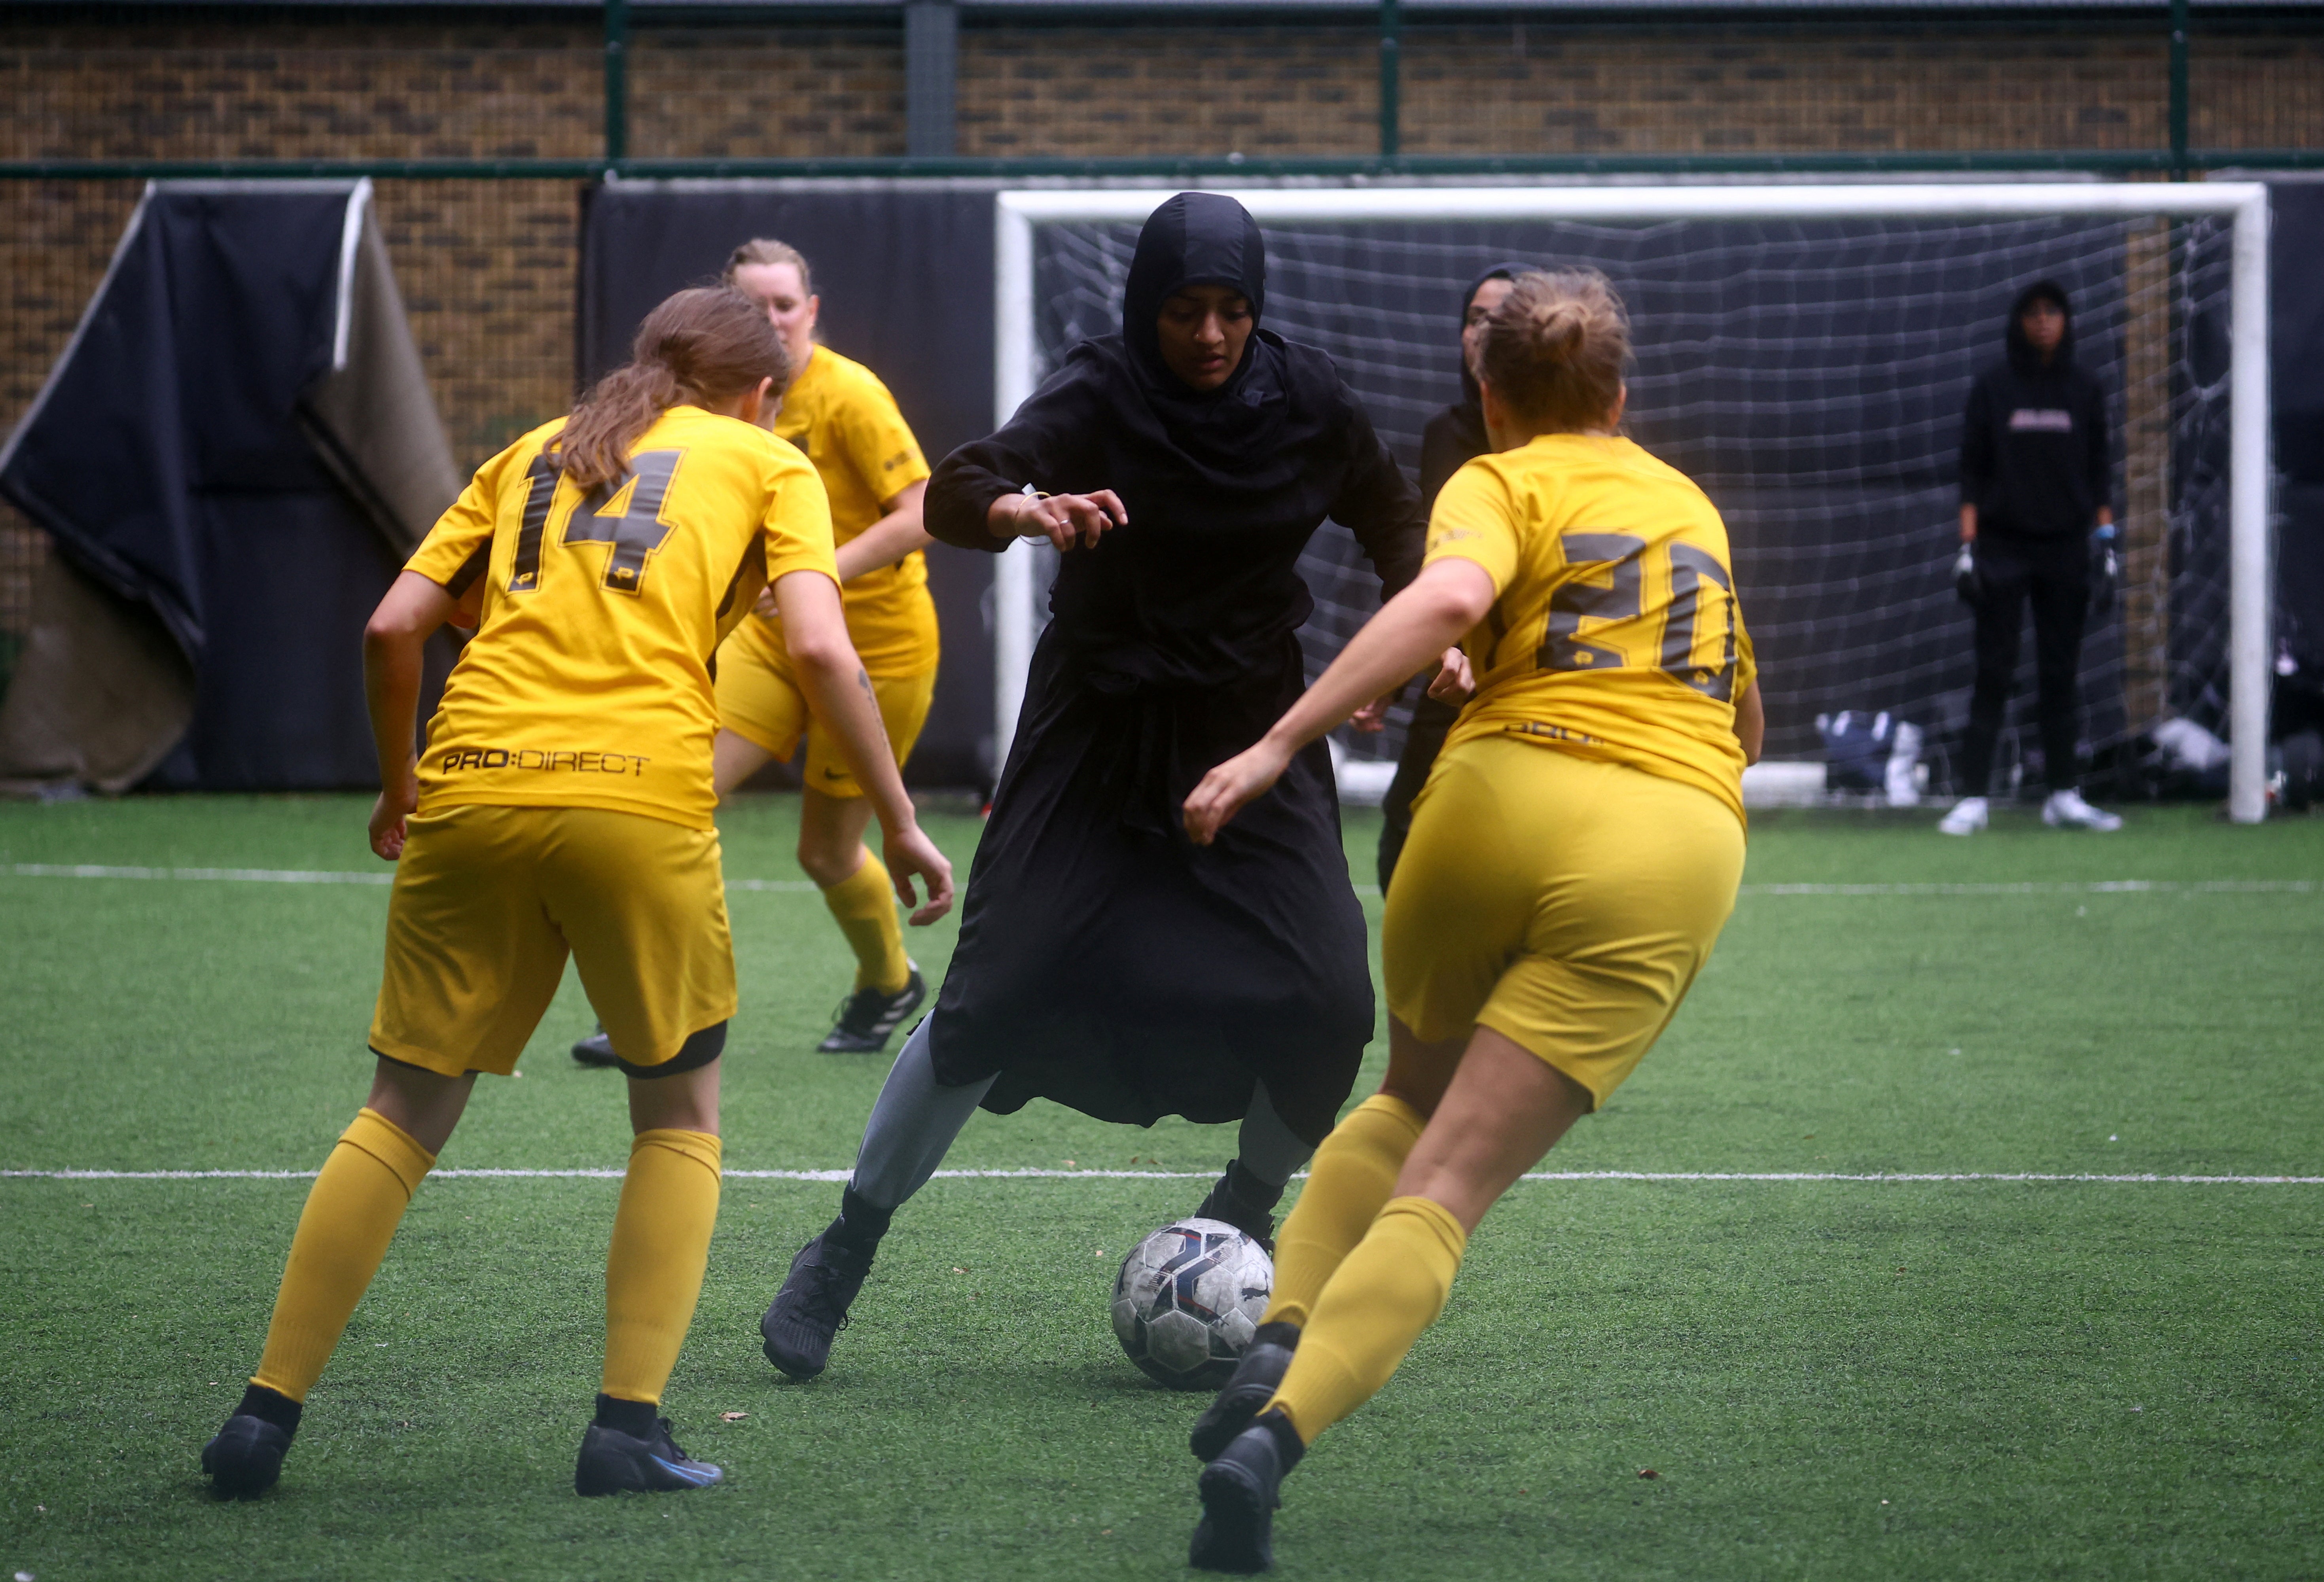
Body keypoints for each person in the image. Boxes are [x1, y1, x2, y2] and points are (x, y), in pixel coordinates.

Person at [196, 288, 955, 1501]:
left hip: (471, 783)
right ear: (760, 390)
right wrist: (904, 820)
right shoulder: (768, 459)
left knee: (399, 1110)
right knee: (678, 1115)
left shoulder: (531, 453)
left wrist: (401, 790)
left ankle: (261, 1418)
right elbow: (819, 649)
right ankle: (624, 1431)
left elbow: (395, 628)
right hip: (638, 798)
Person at [754, 191, 1443, 1385]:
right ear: (1147, 307)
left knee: (1331, 998)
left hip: (1252, 733)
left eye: (1233, 310)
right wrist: (1023, 508)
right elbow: (961, 487)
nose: (1213, 335)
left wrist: (1417, 630)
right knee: (993, 991)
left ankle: (1247, 1211)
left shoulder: (1309, 398)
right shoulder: (1099, 388)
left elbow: (1396, 517)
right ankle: (844, 1248)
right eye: (1187, 310)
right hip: (1097, 731)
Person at [1174, 269, 1765, 1573]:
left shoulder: (1495, 479)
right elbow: (1743, 718)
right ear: (1622, 394)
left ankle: (1278, 1330)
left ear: (1492, 397)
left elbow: (1451, 602)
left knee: (1400, 1102)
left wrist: (1279, 745)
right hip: (1665, 838)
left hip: (1492, 798)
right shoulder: (1688, 504)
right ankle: (1272, 1441)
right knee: (1446, 1195)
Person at [572, 239, 941, 1062]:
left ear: (811, 312)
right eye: (754, 306)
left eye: (785, 304)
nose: (772, 319)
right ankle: (653, 999)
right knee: (677, 793)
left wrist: (817, 571)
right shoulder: (705, 414)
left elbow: (923, 510)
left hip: (875, 648)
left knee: (826, 850)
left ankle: (889, 983)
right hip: (773, 641)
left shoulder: (850, 395)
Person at [1939, 277, 2122, 835]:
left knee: (2060, 674)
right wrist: (1968, 549)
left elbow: (2099, 473)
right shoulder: (1995, 388)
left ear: (2067, 320)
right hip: (2002, 547)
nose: (2044, 321)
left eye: (2054, 311)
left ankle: (2063, 794)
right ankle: (1972, 797)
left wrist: (2106, 546)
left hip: (2066, 548)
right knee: (1994, 670)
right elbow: (1971, 471)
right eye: (2034, 312)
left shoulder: (2085, 388)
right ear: (2019, 321)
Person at [1374, 264, 1521, 894]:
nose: (1485, 331)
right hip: (1457, 657)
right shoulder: (1448, 434)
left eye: (1504, 318)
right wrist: (1394, 670)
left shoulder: (1572, 444)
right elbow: (1439, 566)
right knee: (1403, 832)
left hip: (1535, 668)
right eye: (1476, 318)